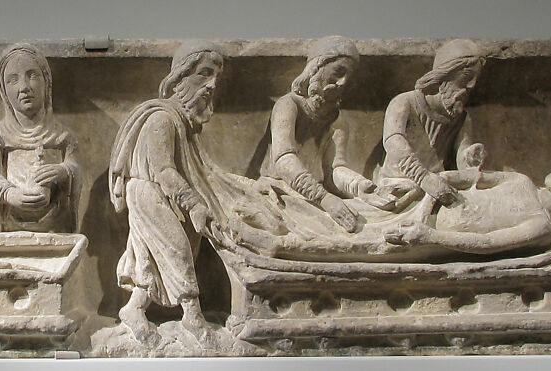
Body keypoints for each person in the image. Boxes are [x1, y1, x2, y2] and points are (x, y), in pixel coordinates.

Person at [108, 41, 228, 346]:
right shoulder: (162, 118)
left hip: (164, 197)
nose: (211, 85)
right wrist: (194, 203)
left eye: (215, 77)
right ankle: (193, 316)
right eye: (204, 74)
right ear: (179, 79)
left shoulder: (183, 124)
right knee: (176, 250)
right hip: (148, 193)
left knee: (153, 257)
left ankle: (134, 309)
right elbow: (163, 170)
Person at [385, 148, 551, 255]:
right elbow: (464, 178)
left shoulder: (540, 224)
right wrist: (428, 192)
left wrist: (429, 236)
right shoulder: (521, 181)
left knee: (359, 238)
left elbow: (487, 242)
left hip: (427, 233)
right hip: (421, 205)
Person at [260, 36, 389, 232]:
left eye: (349, 77)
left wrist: (358, 186)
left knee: (370, 223)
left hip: (316, 198)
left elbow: (334, 169)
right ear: (316, 68)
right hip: (282, 192)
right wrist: (324, 198)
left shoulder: (337, 120)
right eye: (338, 72)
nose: (343, 82)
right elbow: (284, 159)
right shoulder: (289, 104)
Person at [0, 44, 80, 233]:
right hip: (12, 224)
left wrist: (63, 172)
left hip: (55, 227)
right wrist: (9, 193)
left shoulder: (63, 137)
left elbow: (75, 169)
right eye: (12, 80)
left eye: (32, 76)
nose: (24, 87)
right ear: (3, 91)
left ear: (47, 82)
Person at [378, 39, 485, 209]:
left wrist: (469, 157)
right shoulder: (405, 102)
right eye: (466, 77)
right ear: (444, 75)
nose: (471, 86)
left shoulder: (462, 117)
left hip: (438, 188)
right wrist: (423, 177)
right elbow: (394, 142)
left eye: (475, 79)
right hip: (399, 185)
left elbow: (462, 156)